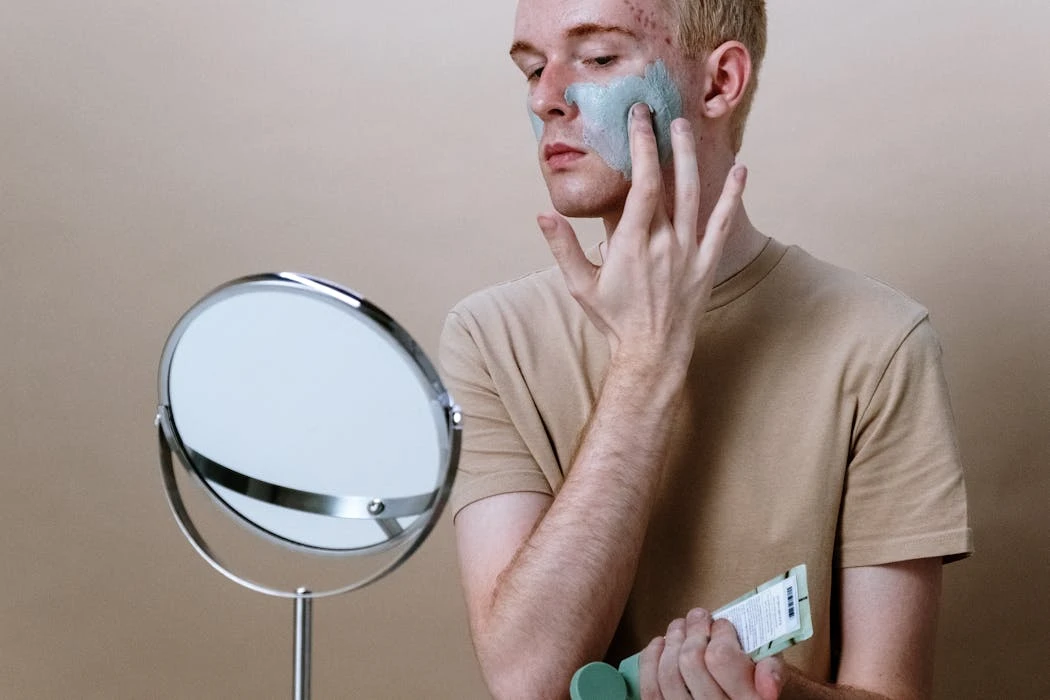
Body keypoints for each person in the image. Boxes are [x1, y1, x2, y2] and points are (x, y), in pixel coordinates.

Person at [438, 0, 973, 698]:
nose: (545, 98)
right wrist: (645, 365)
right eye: (533, 69)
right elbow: (526, 680)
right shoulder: (489, 337)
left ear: (720, 83)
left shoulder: (877, 344)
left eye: (597, 58)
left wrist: (765, 691)